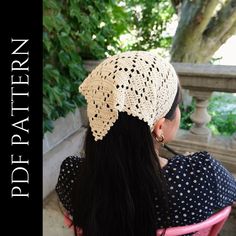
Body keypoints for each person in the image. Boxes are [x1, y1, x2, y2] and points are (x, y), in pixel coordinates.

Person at [55, 51, 236, 236]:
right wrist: (187, 166)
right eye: (178, 105)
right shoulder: (203, 175)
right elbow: (232, 194)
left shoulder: (72, 175)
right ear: (159, 126)